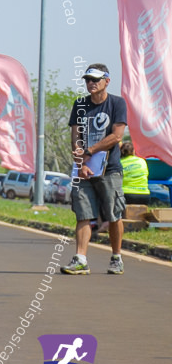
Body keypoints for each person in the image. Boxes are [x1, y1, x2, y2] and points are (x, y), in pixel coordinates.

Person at [62, 64, 128, 276]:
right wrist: (81, 164)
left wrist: (90, 151)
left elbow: (117, 136)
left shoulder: (117, 103)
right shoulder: (80, 104)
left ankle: (116, 257)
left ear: (107, 81)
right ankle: (81, 259)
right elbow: (75, 137)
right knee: (83, 213)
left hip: (109, 170)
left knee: (114, 214)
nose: (91, 83)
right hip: (83, 170)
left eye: (96, 79)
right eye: (88, 79)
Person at [120, 140, 150, 206]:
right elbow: (146, 174)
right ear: (133, 151)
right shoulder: (142, 161)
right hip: (144, 194)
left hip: (126, 195)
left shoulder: (119, 162)